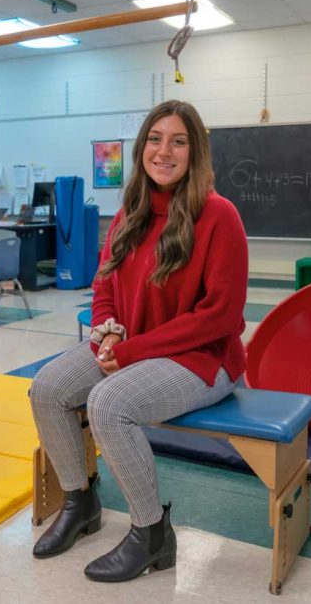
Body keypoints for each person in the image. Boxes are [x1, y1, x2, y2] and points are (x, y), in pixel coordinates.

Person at [28, 100, 249, 583]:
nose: (163, 151)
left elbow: (220, 317)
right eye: (155, 138)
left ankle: (151, 535)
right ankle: (80, 502)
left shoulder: (219, 216)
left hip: (203, 359)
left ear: (196, 153)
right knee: (47, 389)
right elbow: (104, 280)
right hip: (131, 346)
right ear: (141, 148)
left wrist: (126, 353)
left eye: (178, 141)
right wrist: (107, 330)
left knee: (108, 404)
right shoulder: (132, 209)